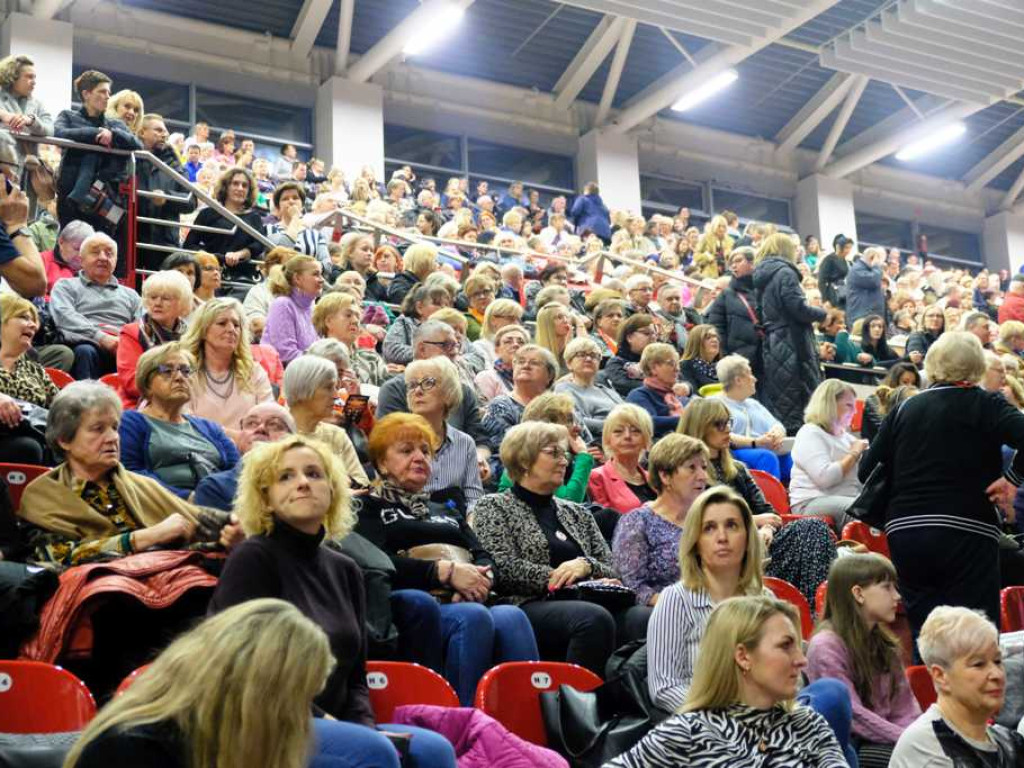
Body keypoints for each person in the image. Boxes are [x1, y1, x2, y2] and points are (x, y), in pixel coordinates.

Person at [208, 435, 456, 768]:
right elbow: (240, 673)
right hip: (262, 726)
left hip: (332, 724)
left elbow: (355, 679)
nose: (302, 483)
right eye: (286, 476)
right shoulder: (253, 558)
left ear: (332, 491)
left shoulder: (346, 569)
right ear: (266, 499)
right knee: (374, 752)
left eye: (313, 474)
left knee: (435, 749)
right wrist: (339, 726)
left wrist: (364, 728)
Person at [355, 413, 538, 705]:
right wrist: (444, 573)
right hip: (414, 601)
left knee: (512, 617)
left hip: (467, 596)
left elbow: (482, 554)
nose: (419, 457)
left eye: (425, 451)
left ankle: (525, 729)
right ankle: (461, 725)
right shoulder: (368, 506)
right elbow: (374, 561)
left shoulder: (446, 507)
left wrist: (480, 581)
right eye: (406, 451)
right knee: (474, 618)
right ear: (381, 463)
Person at [860, 332, 1024, 642]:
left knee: (928, 633)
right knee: (976, 632)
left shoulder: (905, 408)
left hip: (906, 530)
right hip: (967, 528)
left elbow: (866, 470)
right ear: (977, 365)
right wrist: (1012, 480)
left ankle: (930, 688)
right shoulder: (986, 403)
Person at [64, 599, 342, 768]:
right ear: (256, 692)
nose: (303, 716)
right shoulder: (132, 752)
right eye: (297, 698)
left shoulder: (210, 737)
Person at [17, 381, 241, 566]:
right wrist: (143, 538)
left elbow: (203, 521)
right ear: (64, 440)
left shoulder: (143, 486)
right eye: (98, 429)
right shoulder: (43, 495)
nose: (113, 437)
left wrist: (233, 532)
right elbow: (56, 557)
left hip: (170, 581)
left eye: (114, 427)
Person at [611, 595, 848, 767]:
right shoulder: (687, 733)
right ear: (743, 656)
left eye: (798, 646)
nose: (801, 660)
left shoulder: (809, 724)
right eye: (785, 646)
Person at [472, 422, 620, 675]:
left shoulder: (577, 512)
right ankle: (573, 709)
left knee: (643, 617)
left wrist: (585, 565)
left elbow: (613, 567)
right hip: (528, 602)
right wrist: (558, 578)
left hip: (584, 597)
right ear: (524, 460)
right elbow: (502, 567)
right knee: (592, 619)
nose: (564, 461)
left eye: (565, 454)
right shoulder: (492, 506)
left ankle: (636, 708)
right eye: (554, 453)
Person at [677, 399, 836, 608]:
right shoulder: (687, 473)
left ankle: (814, 606)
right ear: (700, 427)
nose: (727, 430)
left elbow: (769, 513)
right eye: (719, 424)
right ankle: (811, 608)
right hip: (723, 549)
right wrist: (753, 522)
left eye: (728, 423)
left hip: (761, 543)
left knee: (814, 529)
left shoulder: (738, 469)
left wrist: (767, 528)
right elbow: (693, 520)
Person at [807, 554, 921, 767]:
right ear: (858, 593)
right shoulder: (826, 645)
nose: (897, 596)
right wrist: (909, 740)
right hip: (849, 747)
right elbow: (853, 717)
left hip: (888, 738)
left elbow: (904, 708)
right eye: (887, 587)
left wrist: (917, 737)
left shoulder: (885, 643)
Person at [892, 606, 1024, 767]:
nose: (996, 674)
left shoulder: (1008, 742)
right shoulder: (928, 750)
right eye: (978, 664)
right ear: (940, 676)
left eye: (997, 661)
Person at [119, 343, 239, 498]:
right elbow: (132, 474)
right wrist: (186, 498)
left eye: (186, 371)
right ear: (147, 384)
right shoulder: (130, 422)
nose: (179, 377)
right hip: (164, 510)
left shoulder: (210, 428)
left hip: (217, 505)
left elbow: (237, 472)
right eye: (167, 371)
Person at [753, 233, 829, 434]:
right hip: (793, 342)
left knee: (783, 398)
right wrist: (822, 314)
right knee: (800, 395)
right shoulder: (785, 272)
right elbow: (797, 308)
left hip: (773, 341)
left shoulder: (762, 276)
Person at [54, 71, 142, 234]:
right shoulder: (67, 116)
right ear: (86, 94)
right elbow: (58, 133)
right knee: (69, 247)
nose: (107, 96)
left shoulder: (114, 124)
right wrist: (95, 133)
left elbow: (137, 144)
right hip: (70, 193)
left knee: (103, 248)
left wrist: (113, 135)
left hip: (105, 196)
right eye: (102, 91)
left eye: (109, 92)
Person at [50, 232, 142, 380]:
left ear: (116, 260)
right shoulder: (66, 286)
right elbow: (64, 316)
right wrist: (101, 337)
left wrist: (125, 342)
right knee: (85, 352)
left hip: (122, 345)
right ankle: (86, 402)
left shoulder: (131, 295)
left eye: (109, 253)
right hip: (86, 343)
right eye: (95, 252)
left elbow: (141, 324)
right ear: (81, 260)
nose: (103, 257)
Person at [181, 298, 274, 444]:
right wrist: (236, 437)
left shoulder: (254, 371)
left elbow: (269, 419)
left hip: (251, 453)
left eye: (236, 325)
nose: (231, 329)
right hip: (199, 450)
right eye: (222, 323)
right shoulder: (184, 372)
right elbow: (184, 423)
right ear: (203, 331)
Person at [377, 320, 485, 443]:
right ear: (422, 349)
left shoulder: (463, 391)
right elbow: (388, 444)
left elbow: (480, 440)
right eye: (446, 345)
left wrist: (480, 456)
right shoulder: (395, 389)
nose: (454, 352)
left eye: (456, 345)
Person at [404, 356, 484, 509]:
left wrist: (470, 522)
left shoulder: (465, 443)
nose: (418, 391)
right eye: (412, 385)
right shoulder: (393, 440)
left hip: (455, 524)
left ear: (448, 393)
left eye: (428, 383)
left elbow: (474, 498)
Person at [280, 355, 369, 488]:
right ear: (304, 388)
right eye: (328, 388)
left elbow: (363, 485)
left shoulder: (336, 435)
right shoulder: (276, 438)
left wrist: (356, 397)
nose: (336, 395)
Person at [790, 379, 866, 530]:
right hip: (811, 502)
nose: (855, 411)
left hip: (846, 499)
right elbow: (825, 478)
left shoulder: (847, 438)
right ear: (830, 405)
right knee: (861, 512)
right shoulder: (810, 432)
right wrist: (854, 453)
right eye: (849, 405)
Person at [116, 269, 192, 408]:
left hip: (186, 404)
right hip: (141, 405)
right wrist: (173, 390)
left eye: (165, 298)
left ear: (182, 303)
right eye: (153, 297)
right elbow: (131, 381)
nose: (157, 303)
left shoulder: (191, 335)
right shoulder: (132, 332)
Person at [183, 167, 267, 292]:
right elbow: (189, 245)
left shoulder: (254, 217)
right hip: (211, 277)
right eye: (235, 183)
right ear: (225, 187)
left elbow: (259, 244)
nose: (240, 188)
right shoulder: (208, 214)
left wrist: (240, 254)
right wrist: (213, 258)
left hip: (243, 281)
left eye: (245, 185)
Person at [0, 292, 58, 463]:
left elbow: (58, 405)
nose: (33, 325)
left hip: (32, 435)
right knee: (28, 448)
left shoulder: (35, 369)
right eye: (24, 317)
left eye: (35, 321)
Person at [716, 354, 792, 482]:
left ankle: (795, 498)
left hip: (763, 448)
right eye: (750, 374)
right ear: (738, 380)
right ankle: (769, 501)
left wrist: (776, 434)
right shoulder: (715, 403)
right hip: (733, 452)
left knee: (790, 456)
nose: (755, 379)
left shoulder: (753, 404)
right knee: (766, 457)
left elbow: (777, 424)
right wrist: (755, 442)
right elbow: (721, 434)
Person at [134, 113, 196, 270]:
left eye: (165, 132)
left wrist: (167, 198)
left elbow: (191, 200)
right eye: (158, 130)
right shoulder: (130, 158)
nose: (165, 135)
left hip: (164, 243)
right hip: (134, 238)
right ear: (142, 132)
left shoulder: (174, 164)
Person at [481, 344, 558, 459]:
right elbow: (508, 449)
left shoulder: (560, 406)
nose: (526, 366)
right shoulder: (501, 406)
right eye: (521, 362)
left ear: (550, 376)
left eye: (534, 363)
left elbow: (581, 439)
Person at [312, 291, 390, 387]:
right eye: (348, 315)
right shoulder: (314, 359)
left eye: (357, 316)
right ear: (329, 321)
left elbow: (389, 393)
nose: (355, 321)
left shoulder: (371, 358)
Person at [554, 336, 622, 436]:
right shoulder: (563, 389)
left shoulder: (607, 390)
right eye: (581, 355)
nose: (589, 359)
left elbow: (629, 413)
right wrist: (617, 426)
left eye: (594, 355)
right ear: (569, 363)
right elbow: (576, 421)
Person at [262, 255, 323, 365]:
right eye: (316, 274)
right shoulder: (283, 304)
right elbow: (285, 354)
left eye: (321, 274)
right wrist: (323, 362)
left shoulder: (312, 307)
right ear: (297, 278)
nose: (322, 280)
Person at [706, 246, 761, 368]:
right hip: (739, 361)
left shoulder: (766, 290)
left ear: (753, 262)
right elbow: (717, 328)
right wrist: (726, 357)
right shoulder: (726, 295)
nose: (734, 266)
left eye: (738, 261)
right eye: (732, 263)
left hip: (767, 358)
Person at [0, 54, 52, 172]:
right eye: (29, 77)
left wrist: (31, 121)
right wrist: (3, 114)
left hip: (29, 171)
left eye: (34, 77)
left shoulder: (38, 104)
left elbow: (50, 130)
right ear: (12, 77)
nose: (34, 82)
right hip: (4, 167)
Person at [625, 342, 688, 437]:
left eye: (678, 364)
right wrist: (688, 420)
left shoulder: (679, 397)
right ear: (653, 368)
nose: (677, 369)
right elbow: (649, 422)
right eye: (671, 363)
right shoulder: (639, 395)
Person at [266, 182, 330, 272]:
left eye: (295, 198)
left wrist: (308, 269)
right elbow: (282, 253)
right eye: (285, 199)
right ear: (278, 207)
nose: (291, 201)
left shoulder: (315, 234)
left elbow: (327, 265)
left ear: (302, 205)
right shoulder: (269, 229)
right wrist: (295, 217)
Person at [382, 283, 450, 366]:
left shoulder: (450, 329)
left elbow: (468, 352)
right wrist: (429, 352)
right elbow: (392, 350)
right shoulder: (404, 323)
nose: (443, 308)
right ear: (419, 307)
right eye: (437, 304)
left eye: (446, 305)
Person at [600, 313, 657, 397]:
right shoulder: (616, 363)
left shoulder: (660, 361)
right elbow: (624, 385)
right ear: (629, 337)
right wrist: (659, 386)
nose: (652, 337)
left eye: (654, 333)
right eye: (646, 333)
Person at [861, 363, 921, 442]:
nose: (910, 387)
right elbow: (886, 428)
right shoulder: (875, 399)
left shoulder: (911, 402)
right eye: (905, 382)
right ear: (893, 381)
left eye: (913, 383)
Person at [473, 323, 528, 408]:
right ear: (497, 350)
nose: (516, 345)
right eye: (508, 342)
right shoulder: (487, 377)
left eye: (521, 342)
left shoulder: (534, 378)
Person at [41, 219, 93, 294]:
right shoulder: (42, 261)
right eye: (77, 249)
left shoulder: (89, 274)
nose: (81, 255)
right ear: (61, 242)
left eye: (85, 251)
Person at [470, 297, 524, 369]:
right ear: (493, 320)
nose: (517, 324)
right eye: (511, 319)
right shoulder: (480, 347)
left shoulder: (522, 345)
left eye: (518, 319)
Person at [845, 247, 886, 325]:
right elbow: (873, 281)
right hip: (861, 315)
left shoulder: (868, 270)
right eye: (878, 260)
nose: (879, 264)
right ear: (872, 258)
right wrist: (876, 266)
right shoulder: (857, 269)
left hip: (870, 314)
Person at [679, 324, 721, 393]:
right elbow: (692, 395)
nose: (714, 340)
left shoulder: (722, 366)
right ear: (696, 342)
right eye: (708, 337)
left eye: (716, 337)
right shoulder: (685, 366)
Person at [818, 234, 854, 310]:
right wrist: (825, 299)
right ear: (839, 247)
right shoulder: (829, 259)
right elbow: (822, 280)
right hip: (833, 294)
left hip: (844, 292)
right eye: (846, 247)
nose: (848, 250)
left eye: (850, 248)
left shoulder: (846, 261)